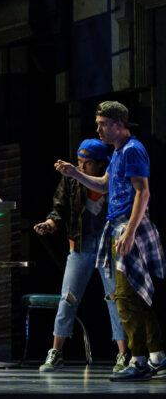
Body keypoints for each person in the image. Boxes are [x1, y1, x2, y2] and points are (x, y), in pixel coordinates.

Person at [56, 101, 164, 381]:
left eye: (103, 124)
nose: (98, 129)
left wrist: (128, 232)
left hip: (130, 227)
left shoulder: (132, 150)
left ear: (119, 124)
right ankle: (156, 356)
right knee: (138, 296)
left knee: (125, 298)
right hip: (120, 226)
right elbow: (104, 185)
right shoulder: (118, 153)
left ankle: (138, 361)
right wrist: (75, 173)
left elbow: (144, 193)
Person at [34, 138, 128, 372]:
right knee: (68, 298)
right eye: (79, 162)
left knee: (114, 299)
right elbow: (59, 208)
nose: (81, 167)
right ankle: (56, 352)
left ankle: (124, 354)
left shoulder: (112, 180)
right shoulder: (71, 180)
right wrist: (49, 224)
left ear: (99, 165)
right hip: (81, 245)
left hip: (108, 247)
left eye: (86, 163)